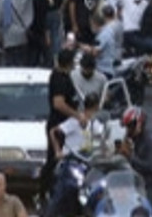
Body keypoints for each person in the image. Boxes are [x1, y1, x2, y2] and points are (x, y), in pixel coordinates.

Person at [40, 49, 84, 199]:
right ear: (70, 62)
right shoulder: (59, 79)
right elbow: (58, 103)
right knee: (54, 160)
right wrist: (77, 115)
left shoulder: (65, 76)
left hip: (67, 125)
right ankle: (45, 191)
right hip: (59, 124)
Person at [119, 107, 152, 207]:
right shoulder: (135, 140)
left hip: (150, 185)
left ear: (139, 124)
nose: (128, 130)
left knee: (145, 210)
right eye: (127, 126)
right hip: (135, 183)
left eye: (130, 126)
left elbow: (151, 167)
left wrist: (130, 156)